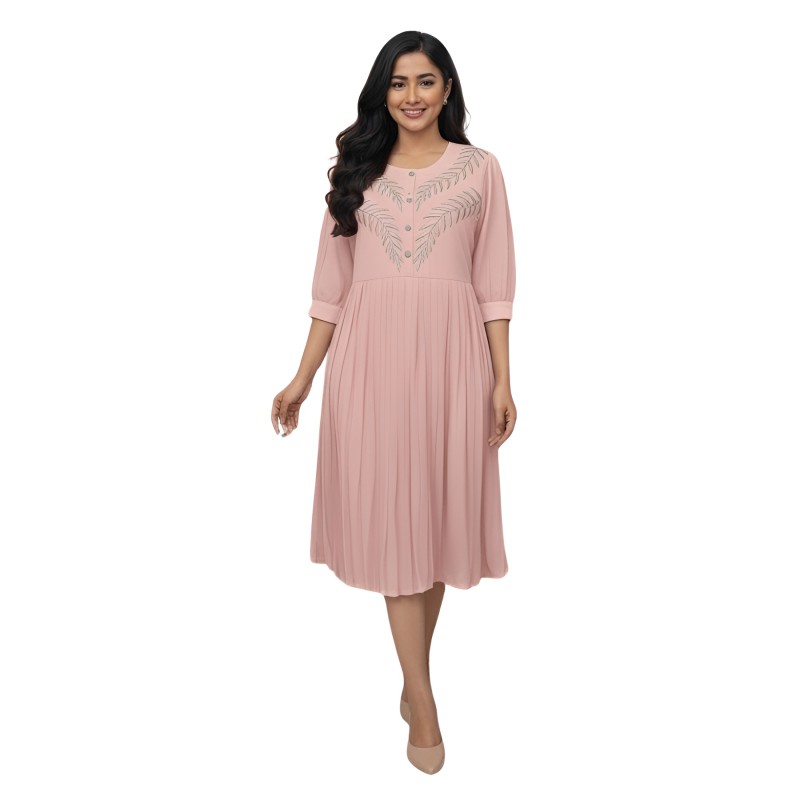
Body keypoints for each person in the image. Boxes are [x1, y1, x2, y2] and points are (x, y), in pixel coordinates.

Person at [271, 30, 517, 774]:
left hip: (453, 362)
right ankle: (425, 701)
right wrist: (302, 379)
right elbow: (330, 290)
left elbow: (495, 283)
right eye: (399, 82)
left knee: (434, 525)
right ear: (383, 91)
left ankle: (412, 683)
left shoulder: (481, 169)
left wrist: (503, 378)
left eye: (426, 81)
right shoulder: (358, 172)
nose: (412, 95)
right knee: (395, 531)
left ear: (448, 89)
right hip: (370, 364)